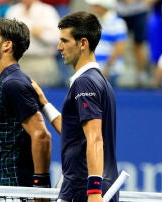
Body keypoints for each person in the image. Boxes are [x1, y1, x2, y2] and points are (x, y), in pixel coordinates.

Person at [32, 11, 118, 202]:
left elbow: (94, 138)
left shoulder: (85, 83)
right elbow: (74, 133)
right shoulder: (98, 80)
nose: (59, 47)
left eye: (65, 41)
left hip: (84, 189)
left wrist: (94, 191)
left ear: (83, 43)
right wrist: (44, 104)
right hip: (89, 187)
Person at [0, 18, 52, 187]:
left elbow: (41, 136)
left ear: (7, 45)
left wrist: (40, 186)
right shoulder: (7, 82)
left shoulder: (14, 84)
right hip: (6, 186)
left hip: (17, 190)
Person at [5, 0, 61, 87]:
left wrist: (41, 34)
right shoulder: (13, 11)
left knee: (44, 96)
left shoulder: (47, 11)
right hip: (19, 62)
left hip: (42, 62)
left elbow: (58, 38)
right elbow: (6, 37)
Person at [86, 0, 128, 88]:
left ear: (103, 6)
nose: (92, 8)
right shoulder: (97, 22)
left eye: (95, 6)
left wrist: (107, 67)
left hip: (110, 72)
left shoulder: (117, 23)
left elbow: (120, 47)